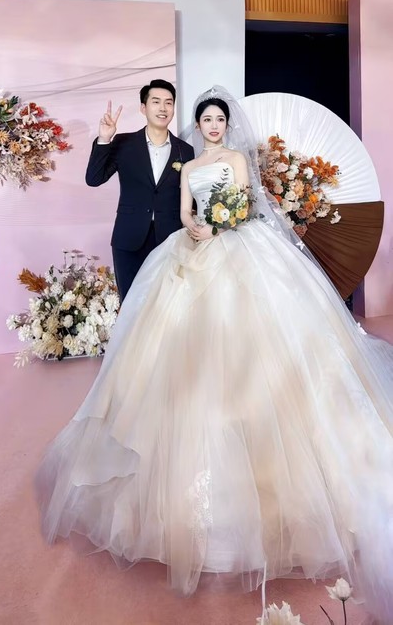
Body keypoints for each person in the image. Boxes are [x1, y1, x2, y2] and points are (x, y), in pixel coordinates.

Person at [37, 87, 393, 623]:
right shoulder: (188, 163)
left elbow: (245, 204)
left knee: (250, 342)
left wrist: (223, 223)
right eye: (204, 118)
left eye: (217, 118)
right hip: (192, 247)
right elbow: (184, 210)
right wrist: (195, 226)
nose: (211, 124)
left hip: (240, 249)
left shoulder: (235, 161)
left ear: (227, 124)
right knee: (170, 342)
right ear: (195, 123)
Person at [85, 79, 194, 300]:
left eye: (168, 102)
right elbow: (94, 179)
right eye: (156, 102)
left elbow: (191, 197)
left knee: (165, 307)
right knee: (131, 305)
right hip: (129, 240)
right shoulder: (123, 143)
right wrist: (104, 139)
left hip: (170, 240)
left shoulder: (186, 150)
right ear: (143, 108)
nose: (163, 108)